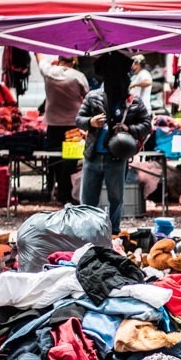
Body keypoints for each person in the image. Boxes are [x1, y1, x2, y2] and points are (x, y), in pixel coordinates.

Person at [76, 53, 152, 233]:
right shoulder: (93, 97)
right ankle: (88, 231)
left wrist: (127, 129)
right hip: (92, 155)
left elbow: (146, 124)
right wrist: (91, 122)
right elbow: (79, 119)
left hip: (117, 158)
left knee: (116, 198)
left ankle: (114, 231)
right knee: (87, 199)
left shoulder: (133, 102)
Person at [39, 55, 90, 204]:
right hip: (73, 125)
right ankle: (66, 193)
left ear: (59, 60)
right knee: (70, 160)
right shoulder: (79, 76)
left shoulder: (48, 71)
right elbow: (87, 96)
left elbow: (39, 58)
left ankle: (51, 190)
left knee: (54, 159)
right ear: (73, 62)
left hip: (53, 124)